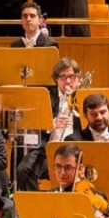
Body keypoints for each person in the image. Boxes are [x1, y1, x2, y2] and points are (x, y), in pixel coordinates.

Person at [16, 57, 84, 191]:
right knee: (23, 170)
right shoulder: (46, 97)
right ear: (56, 79)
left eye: (71, 76)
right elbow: (34, 124)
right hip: (47, 148)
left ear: (77, 78)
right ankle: (35, 208)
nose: (68, 81)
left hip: (74, 151)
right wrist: (50, 124)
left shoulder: (84, 97)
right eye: (63, 77)